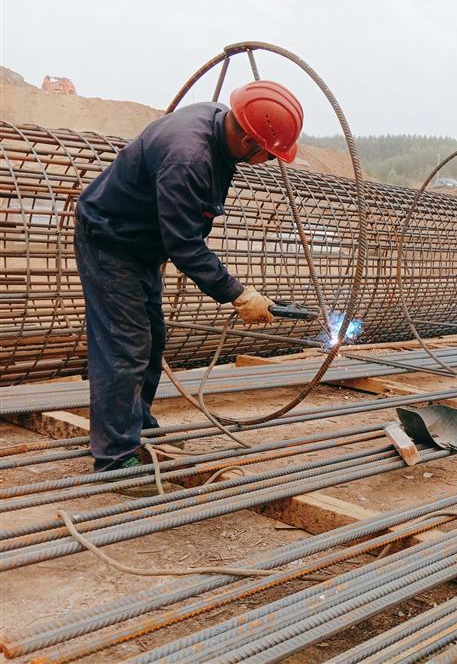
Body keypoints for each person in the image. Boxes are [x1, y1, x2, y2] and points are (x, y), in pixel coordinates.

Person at [75, 80, 304, 474]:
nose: (267, 161)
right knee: (125, 346)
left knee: (151, 339)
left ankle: (135, 427)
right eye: (268, 154)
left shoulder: (218, 128)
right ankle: (115, 459)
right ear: (249, 138)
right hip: (111, 242)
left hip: (141, 244)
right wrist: (238, 294)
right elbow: (184, 244)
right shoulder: (189, 157)